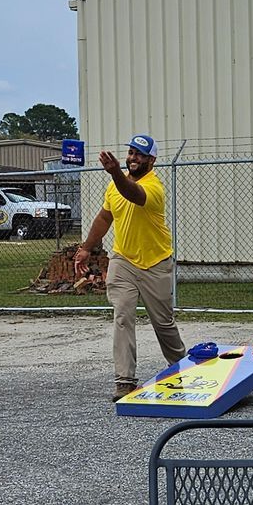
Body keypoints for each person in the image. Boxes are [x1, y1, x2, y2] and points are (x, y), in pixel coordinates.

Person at [76, 134, 186, 399]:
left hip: (155, 263)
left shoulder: (154, 186)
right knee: (123, 316)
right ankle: (124, 381)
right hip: (123, 260)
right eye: (131, 152)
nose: (133, 158)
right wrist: (86, 248)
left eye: (140, 154)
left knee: (163, 322)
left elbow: (134, 194)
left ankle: (182, 366)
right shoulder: (115, 186)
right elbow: (105, 217)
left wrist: (115, 174)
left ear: (151, 160)